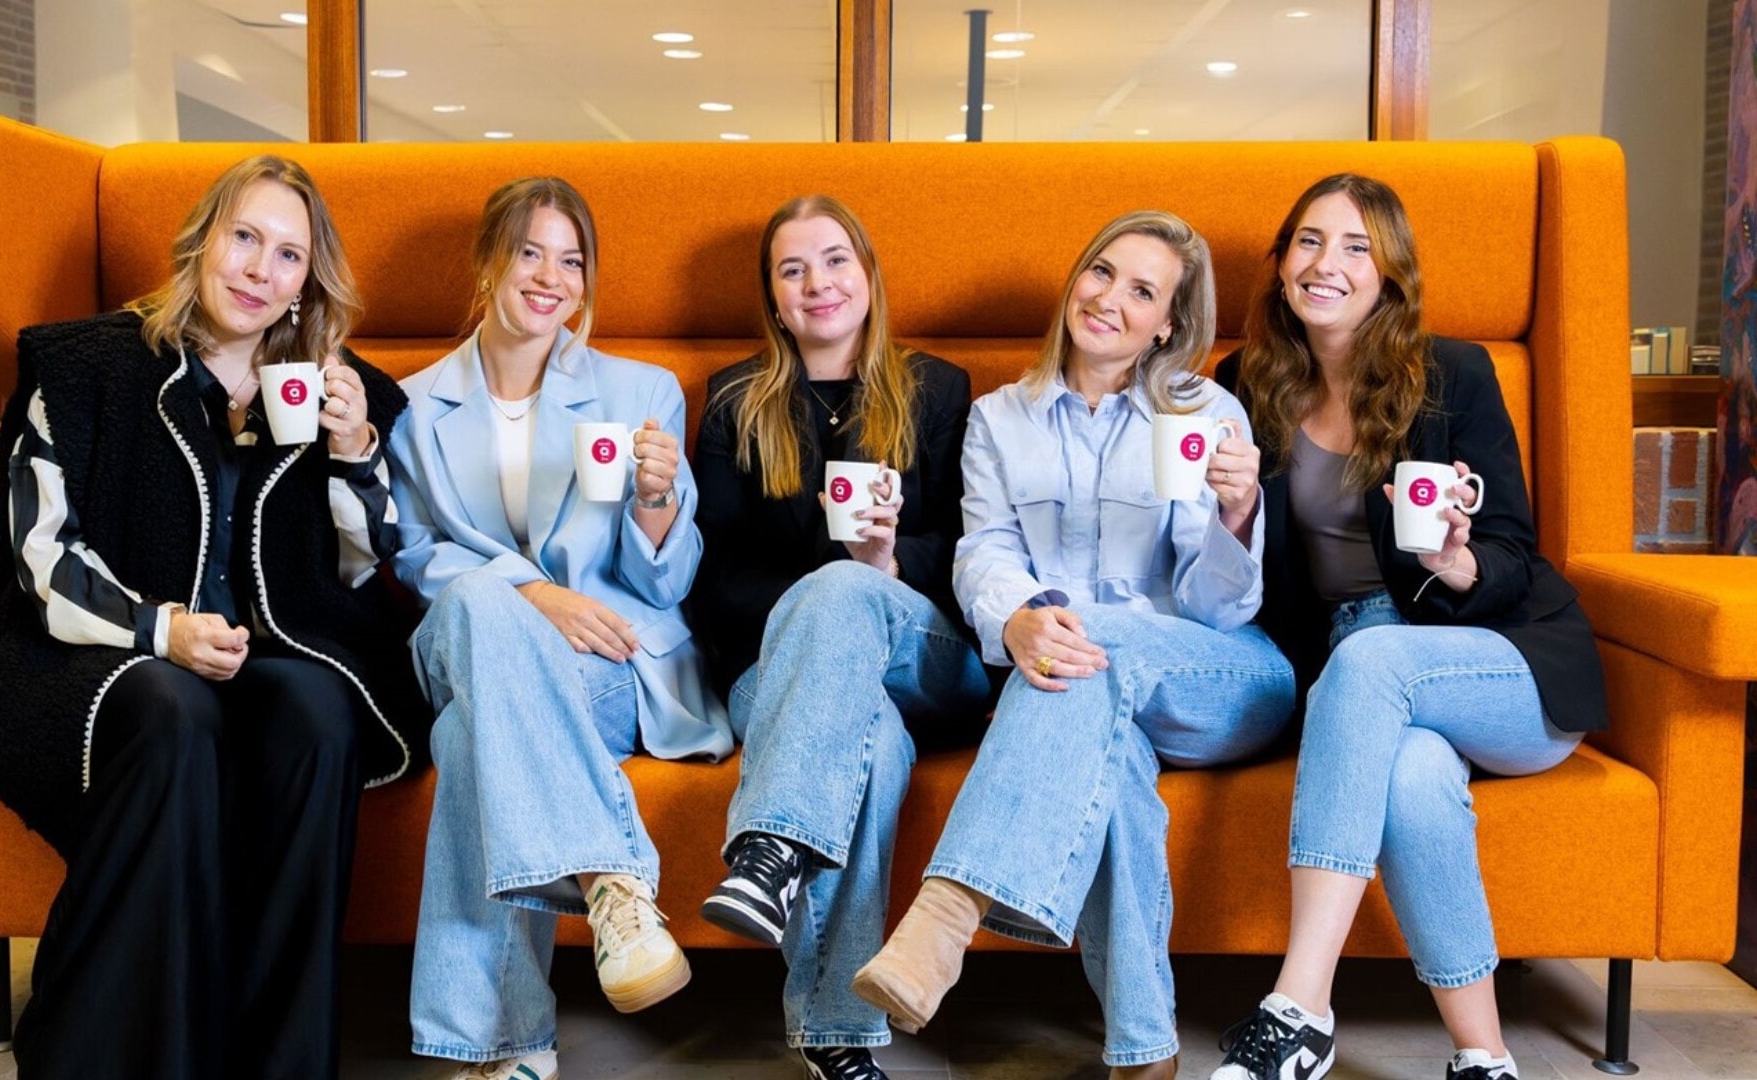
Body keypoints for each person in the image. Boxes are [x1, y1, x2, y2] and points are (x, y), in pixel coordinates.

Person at [0, 155, 430, 1079]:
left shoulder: (328, 383)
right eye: (245, 238)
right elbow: (38, 552)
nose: (260, 270)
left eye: (289, 255)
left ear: (309, 279)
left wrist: (356, 450)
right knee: (174, 713)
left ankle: (281, 1062)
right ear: (202, 241)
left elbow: (364, 568)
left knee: (320, 716)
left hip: (271, 644)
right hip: (99, 650)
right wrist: (160, 632)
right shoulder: (87, 364)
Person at [851, 210, 1296, 1079]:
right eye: (1101, 273)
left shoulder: (1205, 412)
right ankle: (1144, 1050)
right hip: (1079, 684)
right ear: (1074, 281)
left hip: (1219, 677)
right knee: (1098, 729)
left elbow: (1220, 609)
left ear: (1167, 323)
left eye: (1142, 291)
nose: (1110, 300)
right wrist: (1013, 619)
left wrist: (1238, 516)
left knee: (1083, 646)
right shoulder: (997, 419)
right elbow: (984, 550)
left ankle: (947, 912)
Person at [1208, 174, 1608, 1080]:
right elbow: (1252, 576)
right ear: (1280, 267)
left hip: (1502, 663)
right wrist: (1230, 519)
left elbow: (1512, 548)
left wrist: (1453, 562)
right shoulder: (1244, 385)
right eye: (1310, 242)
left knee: (1375, 657)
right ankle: (1486, 1058)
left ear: (1390, 275)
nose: (1328, 264)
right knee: (1418, 777)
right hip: (1363, 676)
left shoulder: (1454, 373)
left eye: (1357, 247)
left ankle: (1301, 1004)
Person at [389, 176, 732, 1080]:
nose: (550, 278)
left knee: (472, 738)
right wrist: (531, 596)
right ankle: (616, 877)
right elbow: (416, 557)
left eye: (571, 260)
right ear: (489, 263)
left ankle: (500, 1049)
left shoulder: (640, 390)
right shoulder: (414, 407)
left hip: (608, 662)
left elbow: (666, 580)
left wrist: (659, 502)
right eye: (530, 253)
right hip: (464, 642)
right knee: (471, 602)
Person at [689, 195, 992, 1080]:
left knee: (846, 593)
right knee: (868, 746)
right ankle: (834, 1035)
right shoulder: (734, 403)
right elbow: (714, 584)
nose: (817, 284)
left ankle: (769, 843)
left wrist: (888, 563)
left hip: (924, 655)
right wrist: (822, 601)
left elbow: (974, 548)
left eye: (833, 261)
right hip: (778, 674)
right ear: (774, 300)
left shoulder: (938, 389)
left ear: (868, 275)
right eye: (793, 270)